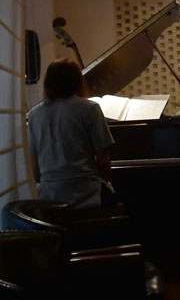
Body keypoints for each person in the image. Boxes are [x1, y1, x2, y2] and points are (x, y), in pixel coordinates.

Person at [28, 58, 115, 208]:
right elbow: (103, 160)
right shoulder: (90, 109)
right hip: (88, 194)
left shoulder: (34, 114)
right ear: (78, 80)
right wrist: (106, 182)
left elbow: (34, 165)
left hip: (49, 197)